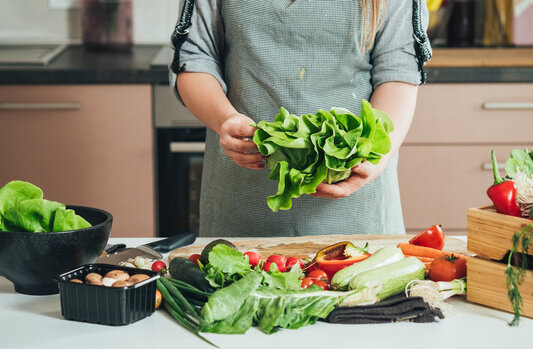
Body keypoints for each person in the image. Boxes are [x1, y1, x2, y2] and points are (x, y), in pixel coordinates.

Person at [170, 0, 430, 237]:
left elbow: (398, 74)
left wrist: (374, 159)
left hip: (358, 214)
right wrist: (224, 119)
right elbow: (194, 60)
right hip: (243, 205)